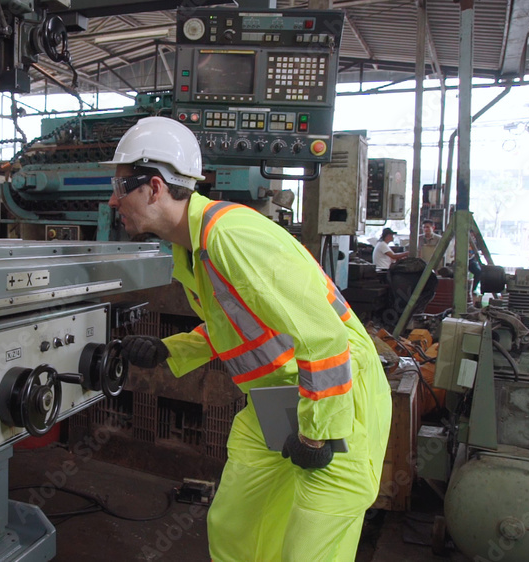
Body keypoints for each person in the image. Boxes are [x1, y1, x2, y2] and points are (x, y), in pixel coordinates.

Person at [104, 116, 391, 561]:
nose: (112, 199)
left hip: (335, 398)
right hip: (278, 398)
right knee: (237, 526)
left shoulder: (229, 236)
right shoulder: (193, 249)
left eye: (121, 186)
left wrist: (317, 436)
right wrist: (170, 349)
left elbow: (324, 337)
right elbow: (235, 325)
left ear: (155, 187)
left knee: (309, 547)